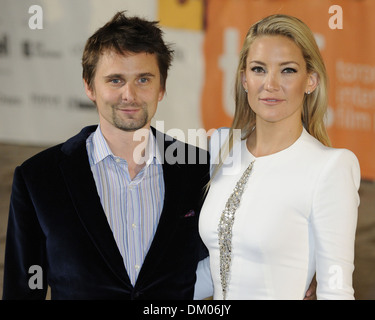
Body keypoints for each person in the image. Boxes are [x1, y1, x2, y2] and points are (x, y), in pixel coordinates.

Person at [2, 11, 211, 300]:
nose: (129, 94)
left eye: (143, 79)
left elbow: (226, 265)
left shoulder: (198, 169)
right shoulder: (38, 178)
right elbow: (24, 289)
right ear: (89, 86)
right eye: (115, 80)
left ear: (161, 87)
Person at [199, 14, 360, 300]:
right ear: (244, 79)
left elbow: (336, 289)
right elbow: (211, 270)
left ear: (311, 81)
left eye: (287, 70)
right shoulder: (222, 147)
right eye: (259, 69)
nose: (270, 84)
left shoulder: (330, 167)